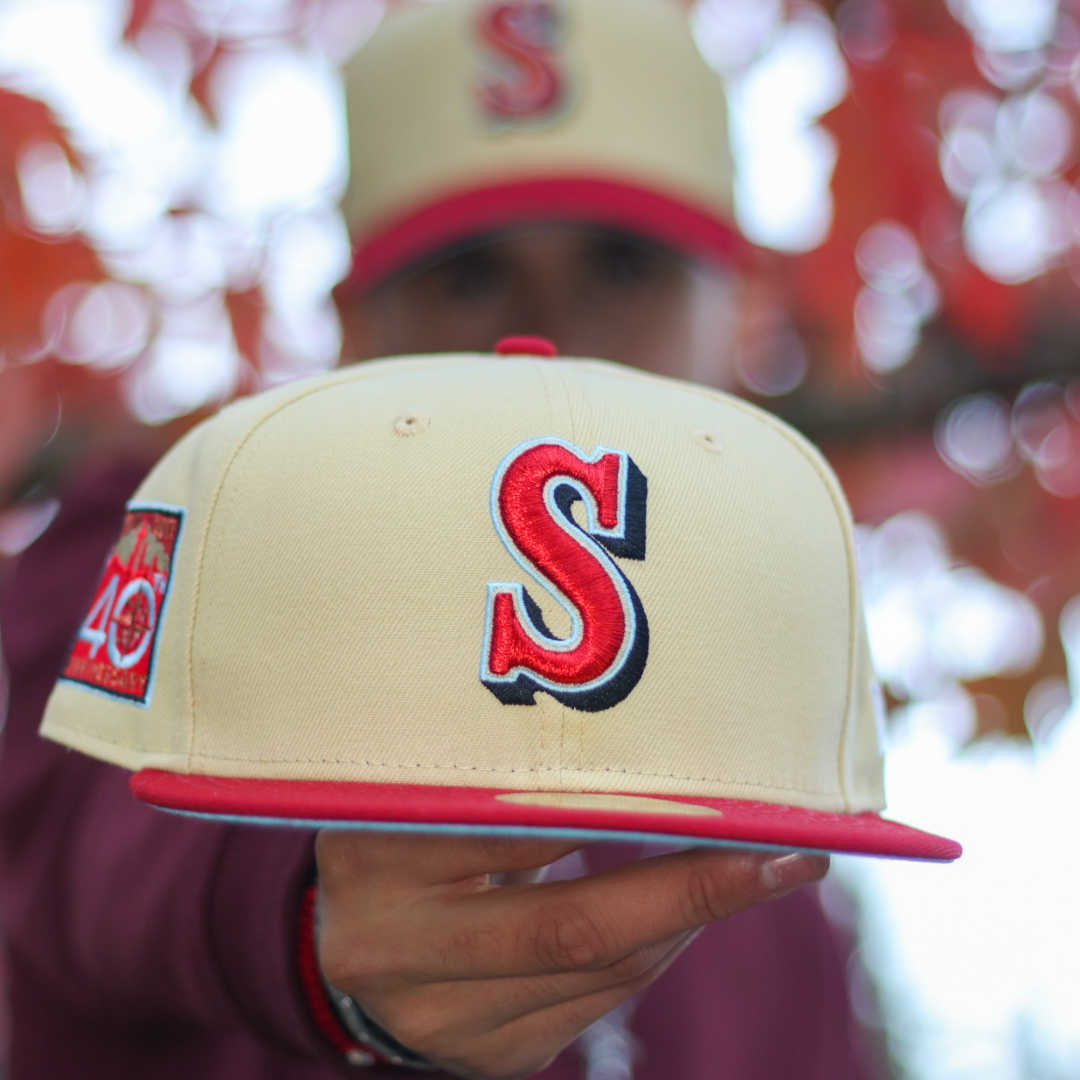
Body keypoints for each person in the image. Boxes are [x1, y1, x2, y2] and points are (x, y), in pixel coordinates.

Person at [0, 1, 880, 1077]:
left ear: (745, 310)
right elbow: (90, 814)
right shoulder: (207, 504)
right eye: (466, 273)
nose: (548, 332)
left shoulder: (778, 876)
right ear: (353, 327)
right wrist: (298, 912)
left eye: (622, 266)